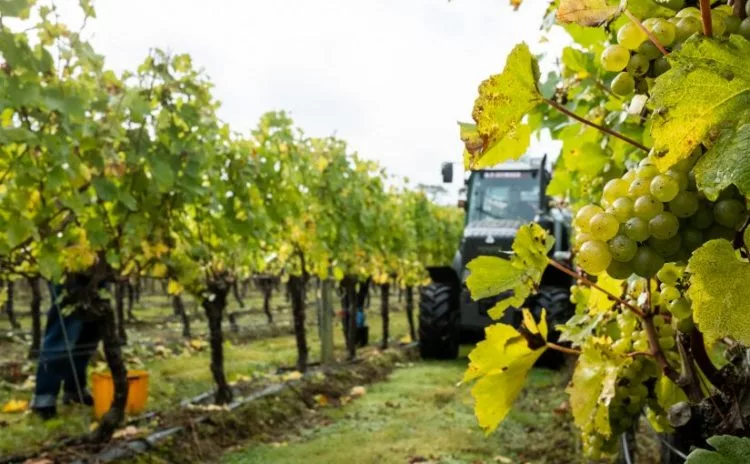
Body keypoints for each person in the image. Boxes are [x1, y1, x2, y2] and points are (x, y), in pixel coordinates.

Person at [31, 274, 105, 420]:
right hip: (69, 270)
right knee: (62, 332)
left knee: (89, 333)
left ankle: (75, 390)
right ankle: (44, 399)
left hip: (97, 271)